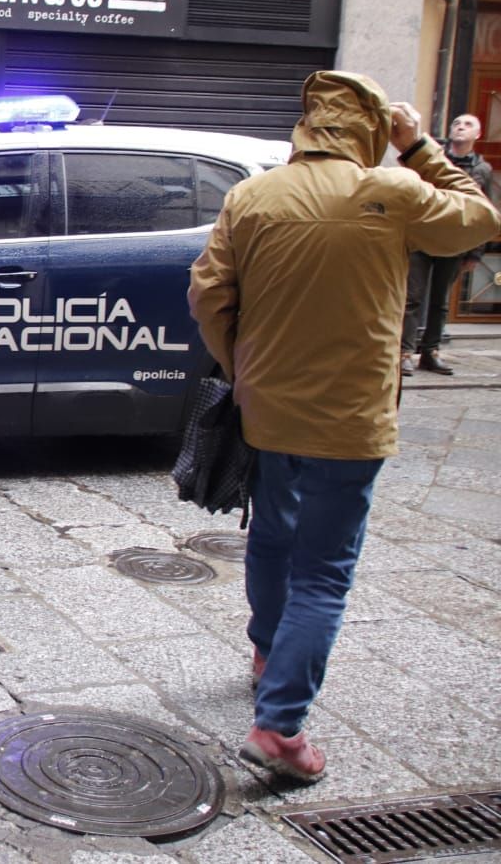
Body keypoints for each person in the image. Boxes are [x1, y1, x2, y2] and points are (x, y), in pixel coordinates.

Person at [188, 71, 500, 782]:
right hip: (353, 418)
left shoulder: (252, 195)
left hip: (266, 407)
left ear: (306, 124)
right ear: (368, 128)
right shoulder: (391, 193)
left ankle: (269, 651)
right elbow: (481, 218)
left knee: (270, 538)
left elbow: (207, 294)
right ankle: (279, 729)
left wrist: (241, 368)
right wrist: (418, 144)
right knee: (324, 573)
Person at [400, 113, 500, 376]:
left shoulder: (482, 169)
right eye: (457, 123)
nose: (460, 127)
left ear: (477, 135)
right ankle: (405, 352)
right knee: (412, 297)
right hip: (422, 237)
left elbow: (484, 209)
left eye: (468, 124)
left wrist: (475, 253)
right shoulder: (432, 159)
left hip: (454, 240)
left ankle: (430, 352)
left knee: (440, 301)